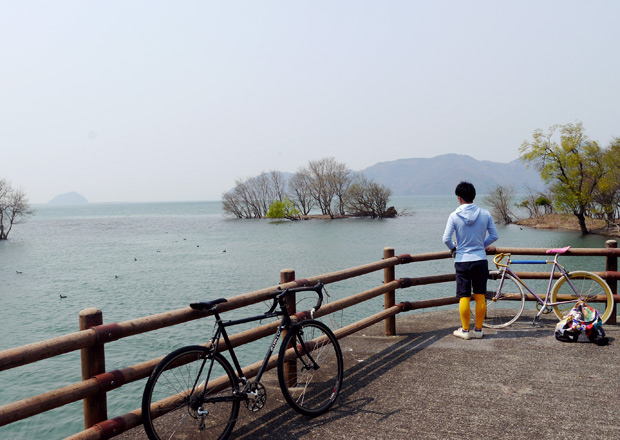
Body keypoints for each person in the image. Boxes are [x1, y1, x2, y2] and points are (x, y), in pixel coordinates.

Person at [443, 181, 498, 340]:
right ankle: (479, 330)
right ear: (473, 197)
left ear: (459, 198)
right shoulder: (485, 214)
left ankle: (465, 331)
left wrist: (454, 248)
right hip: (480, 259)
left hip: (462, 261)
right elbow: (494, 235)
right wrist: (481, 245)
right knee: (480, 295)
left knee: (464, 296)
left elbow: (446, 238)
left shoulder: (454, 216)